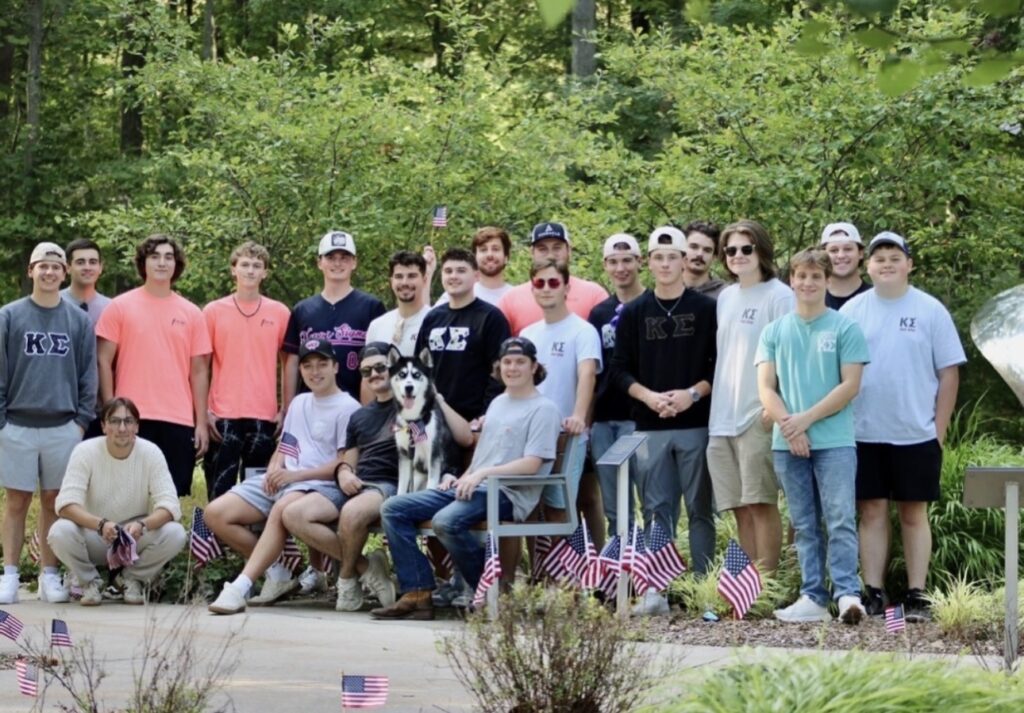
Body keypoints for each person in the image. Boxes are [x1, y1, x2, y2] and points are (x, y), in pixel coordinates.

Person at [370, 337, 561, 620]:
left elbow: (532, 464)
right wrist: (460, 477)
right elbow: (485, 455)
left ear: (534, 366)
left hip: (508, 494)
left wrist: (481, 474)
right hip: (474, 487)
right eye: (507, 362)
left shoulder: (544, 409)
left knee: (446, 521)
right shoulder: (498, 403)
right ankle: (418, 592)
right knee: (393, 509)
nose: (512, 368)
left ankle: (489, 591)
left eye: (520, 362)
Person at [841, 232, 965, 622]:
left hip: (917, 433)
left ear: (909, 264)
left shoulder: (930, 310)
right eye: (879, 258)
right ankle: (874, 592)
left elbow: (949, 374)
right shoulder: (852, 311)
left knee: (914, 513)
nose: (887, 264)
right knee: (872, 512)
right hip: (863, 432)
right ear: (868, 266)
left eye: (895, 257)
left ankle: (917, 595)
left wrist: (938, 431)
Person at [206, 338, 360, 614]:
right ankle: (280, 569)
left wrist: (295, 476)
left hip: (318, 486)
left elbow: (342, 463)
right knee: (216, 513)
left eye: (322, 364)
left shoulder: (348, 408)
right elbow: (286, 444)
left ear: (336, 367)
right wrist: (276, 466)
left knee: (281, 509)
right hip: (286, 480)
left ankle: (240, 586)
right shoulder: (300, 402)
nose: (315, 372)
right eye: (308, 366)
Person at [756, 248, 869, 625]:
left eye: (815, 277)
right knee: (804, 523)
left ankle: (848, 595)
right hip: (787, 443)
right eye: (801, 276)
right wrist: (790, 427)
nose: (807, 283)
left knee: (839, 519)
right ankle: (813, 598)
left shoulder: (844, 328)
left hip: (834, 442)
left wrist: (802, 421)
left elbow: (850, 386)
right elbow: (766, 389)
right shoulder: (774, 331)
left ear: (827, 281)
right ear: (791, 280)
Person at [611, 226, 717, 616]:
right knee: (657, 509)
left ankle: (704, 591)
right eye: (659, 257)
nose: (667, 263)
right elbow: (619, 370)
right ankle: (658, 589)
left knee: (700, 508)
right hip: (650, 426)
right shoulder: (634, 312)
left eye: (674, 256)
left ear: (684, 260)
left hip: (696, 422)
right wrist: (650, 397)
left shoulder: (706, 309)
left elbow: (717, 366)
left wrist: (691, 394)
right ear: (649, 262)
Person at [0, 242, 96, 605]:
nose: (49, 272)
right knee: (16, 500)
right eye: (42, 266)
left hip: (63, 425)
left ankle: (49, 575)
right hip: (17, 424)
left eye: (56, 267)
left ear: (64, 273)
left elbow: (89, 375)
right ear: (31, 271)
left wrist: (81, 422)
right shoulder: (9, 316)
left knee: (55, 501)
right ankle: (9, 574)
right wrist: (2, 422)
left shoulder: (77, 320)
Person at [96, 234, 212, 497]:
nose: (162, 262)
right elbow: (103, 360)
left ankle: (163, 540)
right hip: (132, 417)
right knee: (127, 495)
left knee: (169, 496)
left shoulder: (192, 313)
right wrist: (111, 412)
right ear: (143, 263)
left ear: (176, 264)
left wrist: (201, 422)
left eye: (168, 257)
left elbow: (199, 371)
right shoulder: (120, 306)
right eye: (154, 256)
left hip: (178, 418)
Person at [706, 220, 793, 573]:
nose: (738, 256)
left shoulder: (779, 295)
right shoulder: (725, 297)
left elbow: (790, 356)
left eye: (746, 248)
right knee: (738, 507)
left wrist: (776, 406)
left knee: (760, 503)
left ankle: (767, 584)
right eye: (730, 250)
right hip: (721, 417)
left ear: (762, 250)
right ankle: (748, 583)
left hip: (757, 413)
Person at [48, 398, 186, 606]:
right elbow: (66, 504)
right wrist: (101, 524)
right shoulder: (85, 451)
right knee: (59, 532)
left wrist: (143, 524)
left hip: (133, 536)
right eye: (114, 421)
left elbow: (169, 505)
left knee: (175, 533)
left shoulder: (151, 453)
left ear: (137, 427)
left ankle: (130, 580)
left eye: (128, 421)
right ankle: (89, 582)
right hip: (94, 534)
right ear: (103, 426)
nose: (122, 428)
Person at [202, 241, 290, 500]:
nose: (250, 271)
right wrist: (203, 411)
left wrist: (286, 408)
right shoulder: (213, 311)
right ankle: (218, 538)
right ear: (233, 270)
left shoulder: (280, 312)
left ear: (265, 273)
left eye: (257, 266)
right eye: (245, 265)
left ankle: (254, 540)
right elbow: (201, 366)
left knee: (259, 492)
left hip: (264, 417)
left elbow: (288, 363)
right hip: (221, 416)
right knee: (220, 490)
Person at [520, 260, 600, 523]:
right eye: (539, 283)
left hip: (569, 434)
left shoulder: (583, 330)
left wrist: (578, 416)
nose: (546, 288)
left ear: (566, 287)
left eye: (553, 282)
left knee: (559, 506)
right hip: (530, 436)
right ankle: (538, 566)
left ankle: (564, 565)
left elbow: (587, 373)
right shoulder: (527, 334)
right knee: (528, 508)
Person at [282, 230, 385, 408]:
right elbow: (292, 363)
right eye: (330, 257)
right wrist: (288, 409)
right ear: (319, 263)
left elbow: (382, 362)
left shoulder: (372, 307)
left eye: (345, 257)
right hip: (310, 408)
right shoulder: (302, 310)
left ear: (354, 262)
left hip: (358, 406)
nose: (337, 263)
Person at [589, 234, 645, 539]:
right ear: (605, 266)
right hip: (603, 420)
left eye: (627, 260)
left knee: (649, 501)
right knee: (614, 506)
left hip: (640, 419)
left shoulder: (652, 304)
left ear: (640, 262)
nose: (621, 268)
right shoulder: (599, 313)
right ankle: (619, 575)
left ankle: (652, 573)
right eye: (613, 262)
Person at [415, 248, 511, 422]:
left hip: (475, 419)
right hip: (433, 417)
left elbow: (499, 372)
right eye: (448, 271)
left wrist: (486, 413)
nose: (453, 276)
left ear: (476, 276)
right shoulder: (432, 318)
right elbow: (419, 367)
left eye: (461, 271)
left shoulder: (491, 317)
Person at [497, 222, 608, 336]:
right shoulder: (510, 300)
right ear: (532, 253)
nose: (550, 255)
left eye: (557, 248)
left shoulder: (594, 295)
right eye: (542, 249)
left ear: (569, 250)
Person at [366, 251, 432, 356]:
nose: (405, 282)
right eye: (399, 276)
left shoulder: (436, 322)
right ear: (391, 281)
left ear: (424, 280)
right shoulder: (377, 326)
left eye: (412, 276)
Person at [436, 227, 514, 306]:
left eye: (495, 249)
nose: (489, 255)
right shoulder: (457, 295)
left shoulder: (517, 297)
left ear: (506, 257)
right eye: (483, 250)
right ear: (475, 257)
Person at [61, 238, 111, 328]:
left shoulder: (110, 308)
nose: (87, 267)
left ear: (100, 267)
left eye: (93, 262)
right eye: (80, 262)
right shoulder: (53, 303)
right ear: (68, 267)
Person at [821, 222, 871, 310]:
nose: (841, 255)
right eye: (834, 250)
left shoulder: (876, 297)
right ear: (823, 255)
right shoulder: (812, 298)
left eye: (848, 249)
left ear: (860, 253)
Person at [682, 221, 726, 299]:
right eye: (694, 247)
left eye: (707, 250)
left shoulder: (725, 295)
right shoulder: (667, 291)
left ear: (714, 257)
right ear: (682, 249)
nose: (700, 254)